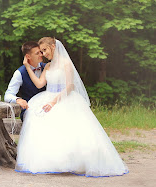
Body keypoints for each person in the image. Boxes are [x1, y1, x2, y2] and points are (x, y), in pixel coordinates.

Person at [15, 37, 128, 177]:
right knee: (37, 119)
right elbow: (39, 84)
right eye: (41, 51)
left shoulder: (66, 64)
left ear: (53, 47)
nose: (43, 54)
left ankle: (74, 161)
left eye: (45, 50)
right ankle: (52, 161)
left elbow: (70, 86)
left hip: (64, 98)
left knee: (69, 129)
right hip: (48, 96)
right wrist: (27, 66)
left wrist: (54, 102)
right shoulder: (48, 66)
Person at [4, 41, 48, 121]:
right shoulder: (20, 73)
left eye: (41, 52)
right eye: (37, 53)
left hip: (47, 107)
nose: (41, 55)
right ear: (28, 56)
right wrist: (18, 99)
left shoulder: (47, 67)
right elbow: (8, 95)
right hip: (30, 110)